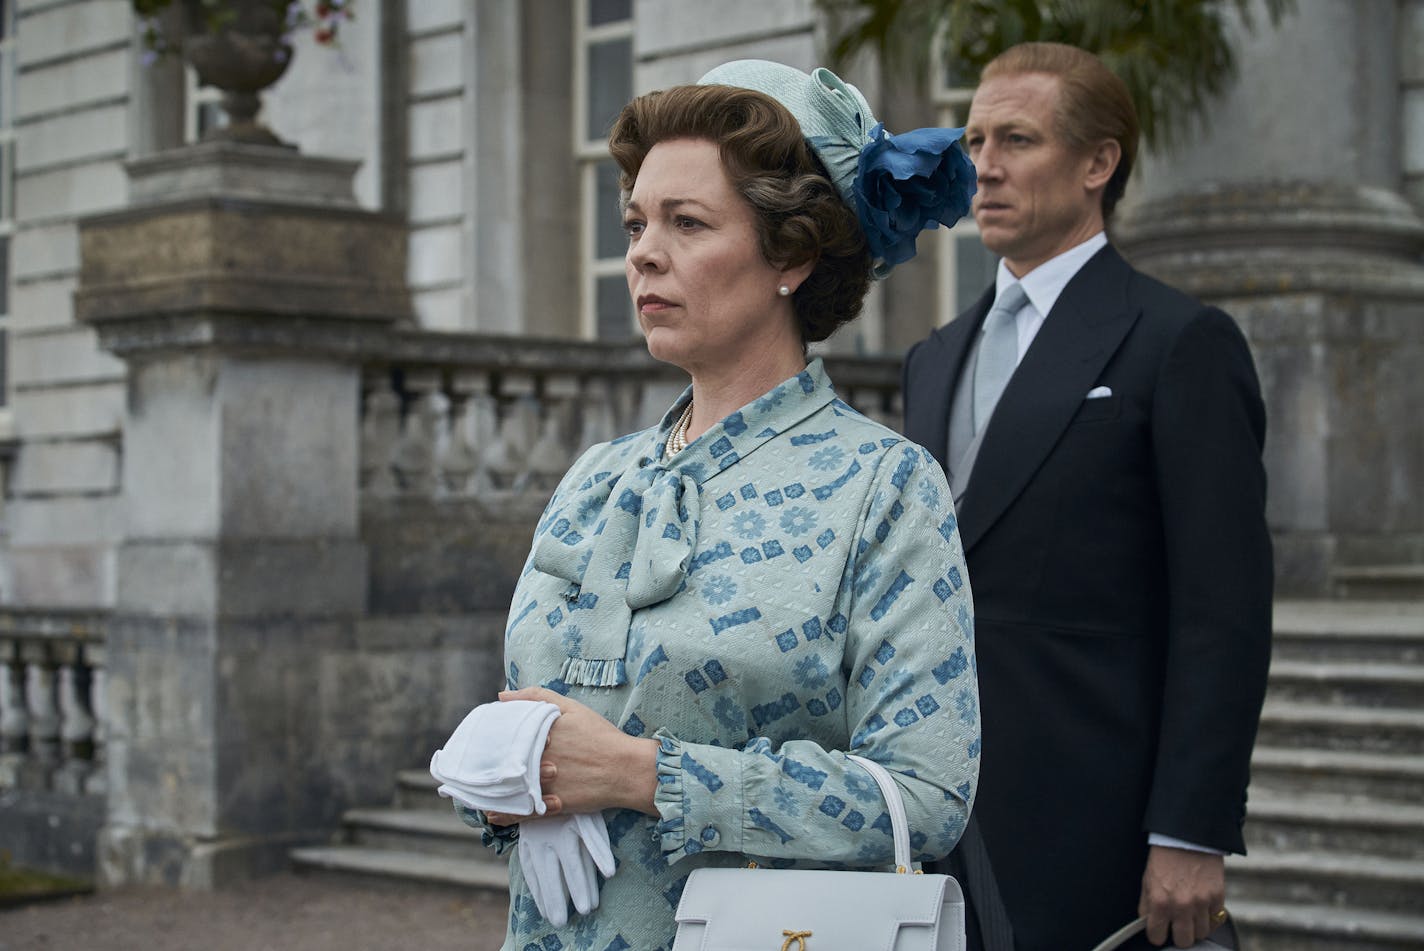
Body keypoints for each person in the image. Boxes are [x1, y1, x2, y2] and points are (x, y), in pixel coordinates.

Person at [464, 60, 982, 950]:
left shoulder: (885, 487)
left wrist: (642, 775)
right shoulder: (596, 476)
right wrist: (514, 773)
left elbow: (928, 798)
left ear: (794, 254)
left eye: (686, 222)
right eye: (636, 222)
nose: (641, 251)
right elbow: (535, 710)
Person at [902, 42, 1273, 951]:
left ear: (1098, 164)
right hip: (934, 817)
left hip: (1096, 828)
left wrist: (1189, 829)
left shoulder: (1180, 341)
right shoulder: (932, 358)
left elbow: (1222, 610)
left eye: (1017, 139)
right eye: (975, 138)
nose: (981, 165)